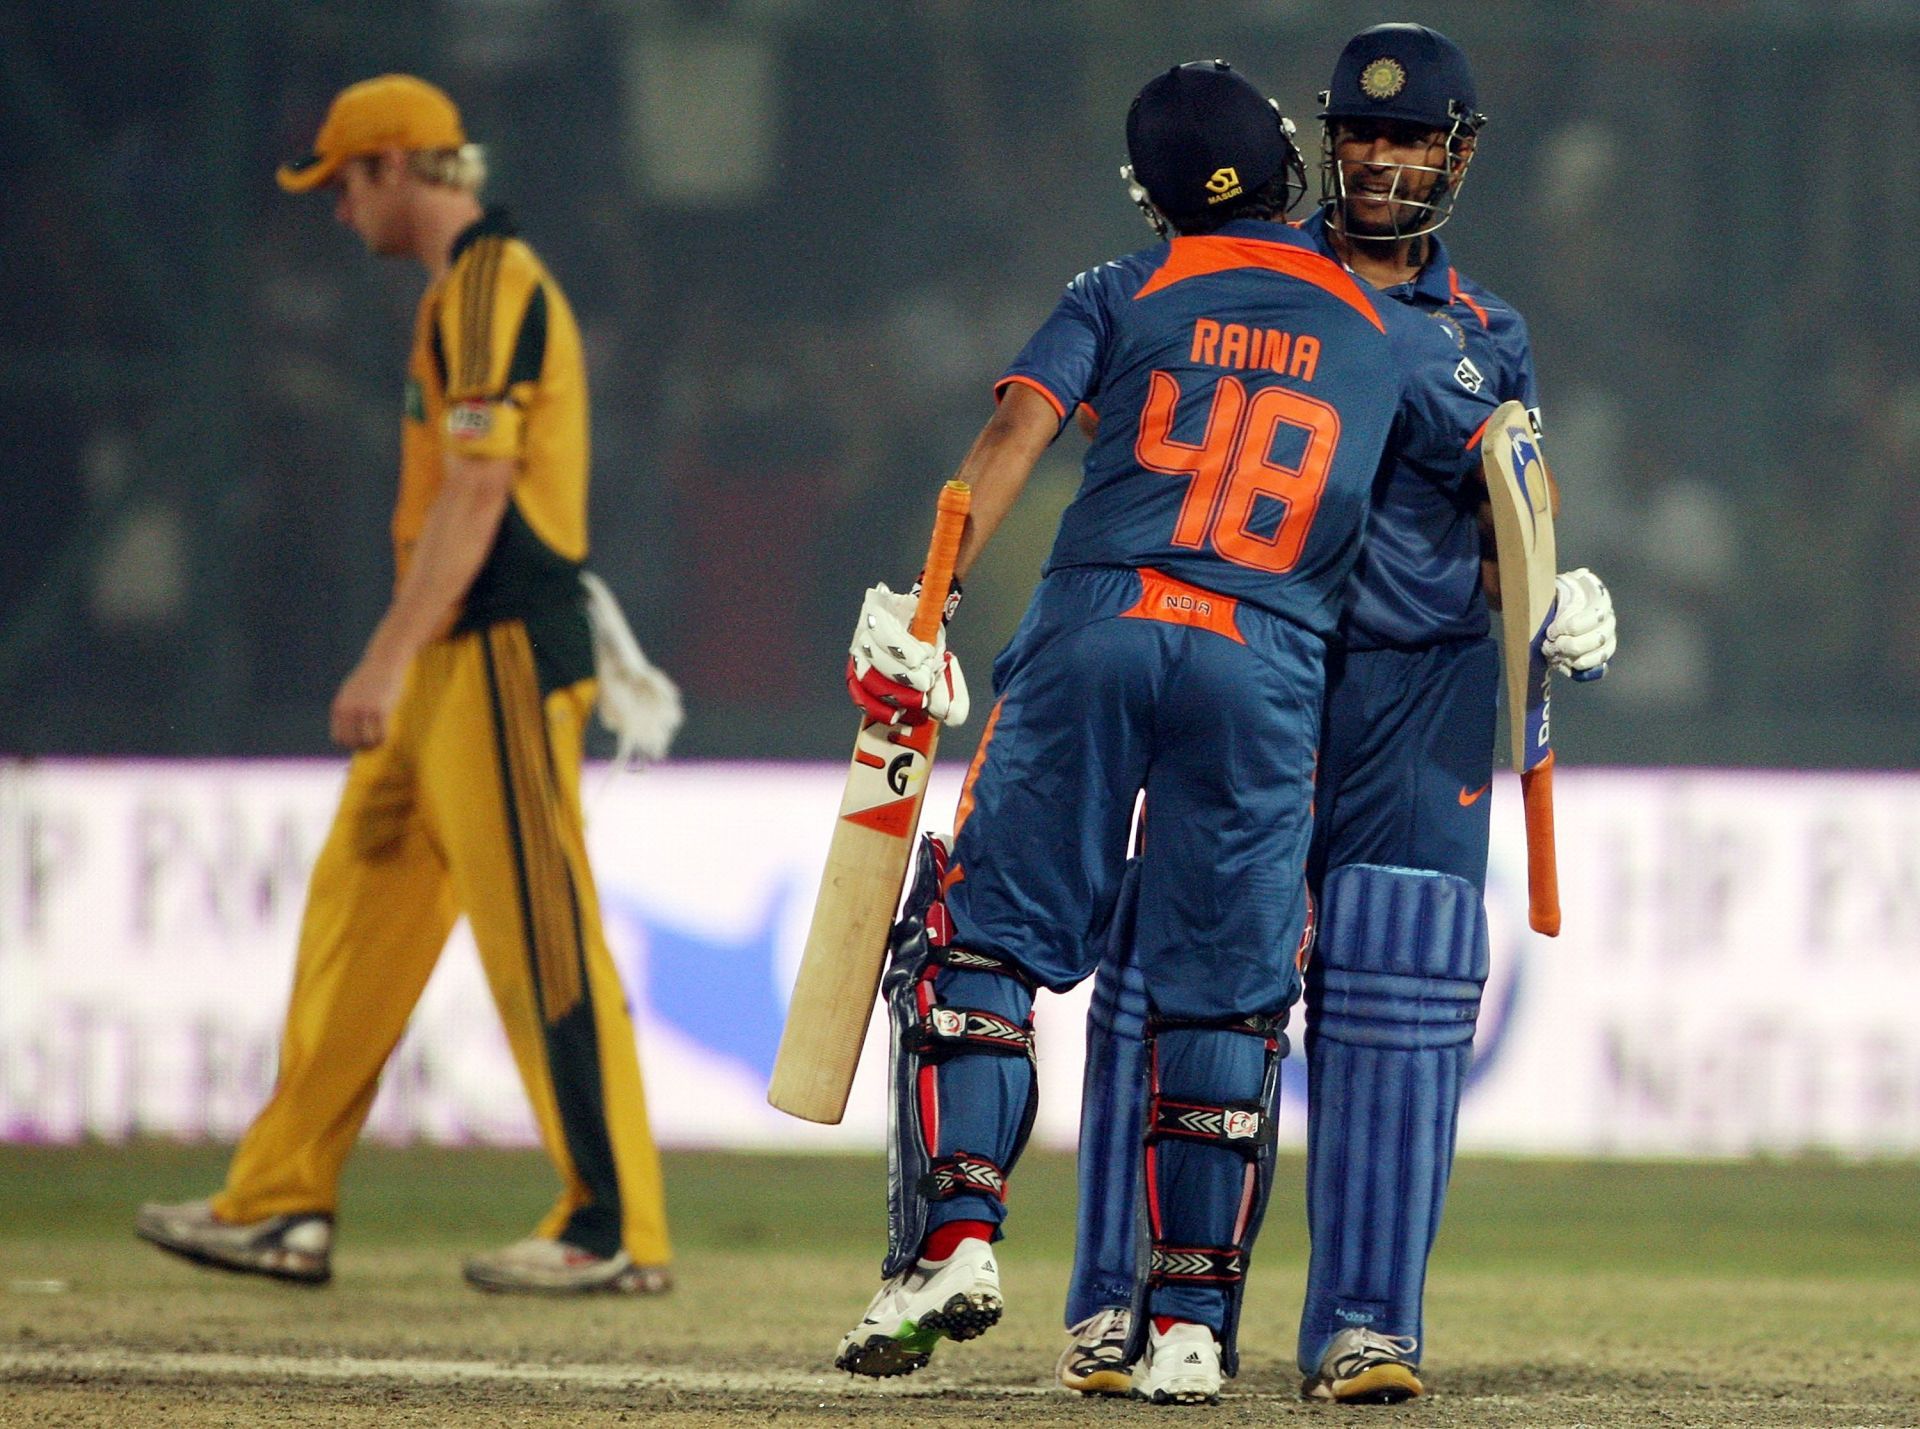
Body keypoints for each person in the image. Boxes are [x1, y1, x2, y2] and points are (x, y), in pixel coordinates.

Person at [832, 59, 1498, 1406]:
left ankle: (956, 1238)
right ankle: (1190, 1327)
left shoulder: (1122, 290)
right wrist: (1549, 597)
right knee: (1229, 998)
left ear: (1155, 197)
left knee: (981, 947)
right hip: (1267, 667)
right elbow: (1500, 471)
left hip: (1102, 626)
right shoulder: (1386, 330)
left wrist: (931, 601)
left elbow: (1018, 424)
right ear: (1290, 172)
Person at [1054, 24, 1619, 1405]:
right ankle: (1126, 1304)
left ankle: (1366, 1323)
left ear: (1459, 153)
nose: (1382, 161)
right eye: (1365, 136)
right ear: (1328, 141)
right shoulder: (1244, 275)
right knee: (1179, 977)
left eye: (1414, 138)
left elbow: (1512, 521)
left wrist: (1560, 593)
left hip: (1418, 696)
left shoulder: (1493, 334)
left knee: (1403, 979)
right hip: (1251, 665)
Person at [135, 74, 678, 1295]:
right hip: (449, 662)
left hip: (495, 655)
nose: (337, 212)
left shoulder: (489, 284)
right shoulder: (462, 292)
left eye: (341, 184)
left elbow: (481, 494)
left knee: (543, 938)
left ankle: (612, 1227)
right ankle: (281, 1202)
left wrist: (384, 650)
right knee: (356, 915)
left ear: (394, 168)